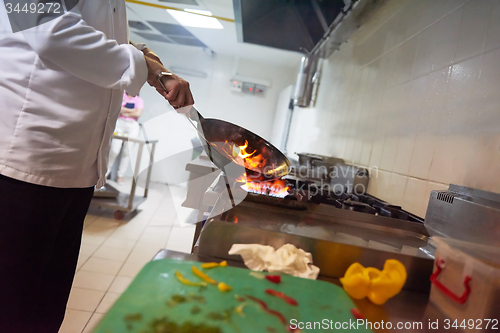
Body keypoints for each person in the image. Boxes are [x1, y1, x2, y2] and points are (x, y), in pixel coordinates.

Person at [0, 1, 194, 332]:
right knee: (13, 304)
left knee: (45, 304)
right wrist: (141, 65)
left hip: (73, 167)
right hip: (25, 162)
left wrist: (144, 58)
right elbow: (44, 29)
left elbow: (90, 33)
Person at [108, 92, 144, 184]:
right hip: (119, 124)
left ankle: (120, 175)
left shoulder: (139, 100)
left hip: (132, 126)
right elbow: (117, 109)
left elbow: (138, 113)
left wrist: (124, 110)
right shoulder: (121, 95)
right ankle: (105, 173)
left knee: (127, 152)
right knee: (114, 151)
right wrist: (132, 111)